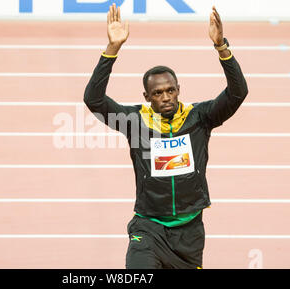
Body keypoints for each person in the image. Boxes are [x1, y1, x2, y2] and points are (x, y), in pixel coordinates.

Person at [84, 4, 248, 269]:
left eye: (170, 90)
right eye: (158, 93)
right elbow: (93, 99)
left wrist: (221, 47)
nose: (165, 97)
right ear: (147, 97)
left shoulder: (200, 117)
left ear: (178, 90)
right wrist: (112, 49)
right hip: (148, 228)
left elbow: (238, 93)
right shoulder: (135, 122)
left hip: (189, 234)